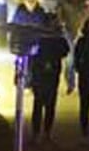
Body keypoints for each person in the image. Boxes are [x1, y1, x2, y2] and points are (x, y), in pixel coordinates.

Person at [29, 14, 69, 142]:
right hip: (40, 73)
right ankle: (36, 132)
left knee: (50, 104)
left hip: (52, 73)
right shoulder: (38, 37)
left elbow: (65, 50)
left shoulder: (58, 37)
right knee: (38, 103)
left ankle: (47, 132)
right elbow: (31, 54)